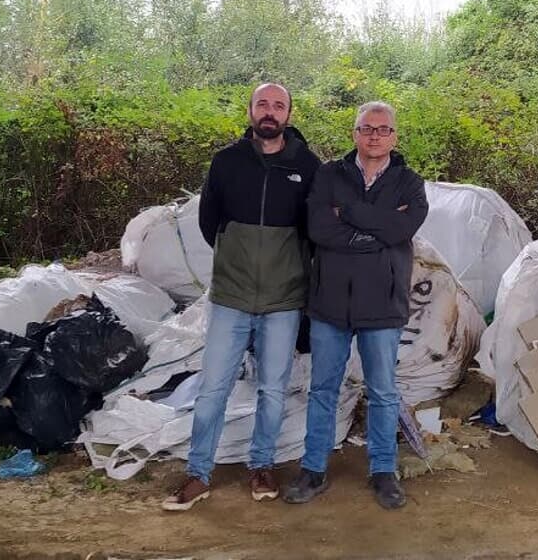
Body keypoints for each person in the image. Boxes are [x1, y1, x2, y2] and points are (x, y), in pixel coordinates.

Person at [162, 82, 321, 512]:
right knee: (214, 388)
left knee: (272, 389)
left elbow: (314, 231)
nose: (270, 112)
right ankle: (198, 474)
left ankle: (263, 466)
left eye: (279, 105)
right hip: (231, 298)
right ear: (250, 110)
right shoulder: (226, 162)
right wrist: (236, 255)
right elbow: (209, 220)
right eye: (262, 104)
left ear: (289, 113)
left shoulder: (307, 166)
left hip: (284, 301)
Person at [283, 100, 428, 510]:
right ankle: (313, 469)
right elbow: (319, 227)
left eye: (383, 130)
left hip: (382, 305)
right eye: (367, 129)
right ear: (355, 134)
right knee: (323, 389)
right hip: (330, 304)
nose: (375, 136)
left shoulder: (410, 183)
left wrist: (347, 212)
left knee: (382, 391)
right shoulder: (329, 174)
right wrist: (375, 229)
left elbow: (403, 226)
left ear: (394, 136)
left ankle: (383, 471)